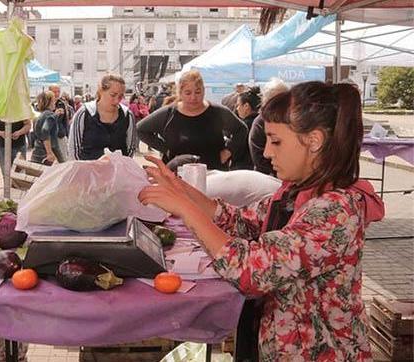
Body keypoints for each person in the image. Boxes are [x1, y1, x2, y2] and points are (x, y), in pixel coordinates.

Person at [139, 80, 385, 361]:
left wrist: (185, 207)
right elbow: (243, 222)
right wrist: (185, 191)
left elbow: (250, 270)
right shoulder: (296, 193)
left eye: (276, 141)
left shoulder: (336, 211)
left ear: (314, 141)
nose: (267, 152)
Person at [137, 70, 248, 170]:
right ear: (180, 93)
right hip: (178, 175)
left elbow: (241, 129)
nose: (193, 97)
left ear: (204, 91)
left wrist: (228, 151)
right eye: (188, 93)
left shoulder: (217, 112)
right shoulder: (168, 114)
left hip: (213, 172)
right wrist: (165, 148)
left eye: (198, 92)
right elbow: (141, 129)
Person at [68, 74, 138, 160]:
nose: (116, 100)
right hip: (88, 171)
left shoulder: (127, 115)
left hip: (117, 171)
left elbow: (130, 148)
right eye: (112, 95)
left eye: (120, 96)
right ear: (101, 91)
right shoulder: (84, 113)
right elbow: (73, 149)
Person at [249, 78, 289, 176]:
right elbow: (259, 159)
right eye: (277, 100)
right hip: (269, 178)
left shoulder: (291, 120)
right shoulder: (259, 123)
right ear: (266, 101)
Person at [31, 91, 64, 165]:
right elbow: (45, 131)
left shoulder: (39, 116)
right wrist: (49, 152)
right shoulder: (50, 115)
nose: (55, 102)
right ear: (50, 101)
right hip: (48, 153)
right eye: (54, 100)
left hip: (37, 151)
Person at [49, 84, 71, 159]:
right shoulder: (45, 104)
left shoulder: (61, 103)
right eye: (54, 92)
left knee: (62, 158)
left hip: (60, 134)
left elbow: (65, 120)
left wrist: (66, 134)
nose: (57, 94)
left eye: (58, 91)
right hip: (48, 136)